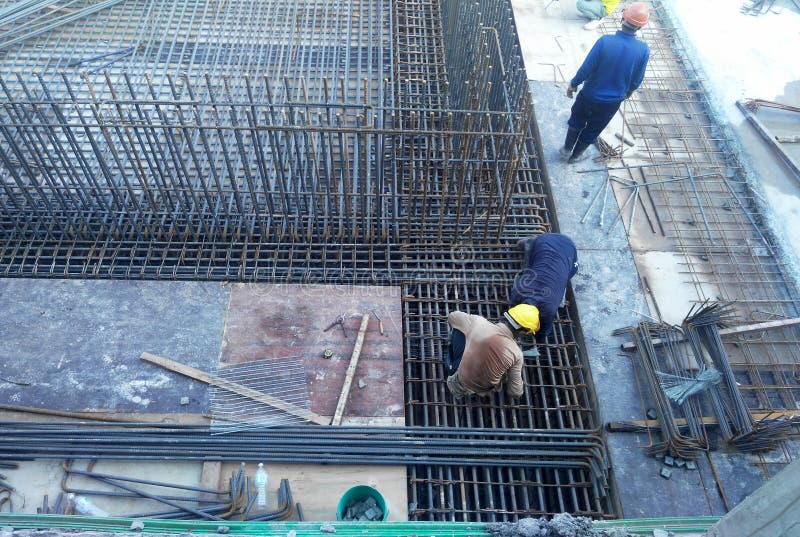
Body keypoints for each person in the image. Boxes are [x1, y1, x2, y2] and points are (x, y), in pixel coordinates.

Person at [560, 2, 650, 163]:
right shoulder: (643, 50)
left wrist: (573, 84)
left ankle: (566, 150)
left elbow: (586, 68)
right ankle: (575, 157)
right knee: (593, 129)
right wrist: (629, 91)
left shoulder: (605, 41)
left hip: (589, 95)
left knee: (576, 120)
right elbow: (637, 79)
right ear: (640, 27)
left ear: (623, 18)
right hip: (611, 103)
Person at [444, 305, 539, 400]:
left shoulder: (478, 322)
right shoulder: (517, 354)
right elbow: (515, 392)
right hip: (471, 389)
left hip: (456, 372)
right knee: (506, 369)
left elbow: (452, 317)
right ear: (524, 332)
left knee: (462, 328)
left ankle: (452, 363)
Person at [509, 233, 578, 342]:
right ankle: (531, 244)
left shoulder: (548, 310)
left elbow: (543, 331)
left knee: (564, 276)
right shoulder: (518, 291)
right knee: (529, 269)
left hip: (568, 249)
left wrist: (539, 339)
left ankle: (531, 243)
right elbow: (512, 309)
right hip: (544, 242)